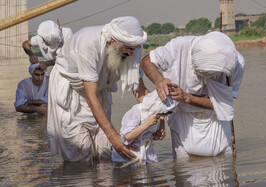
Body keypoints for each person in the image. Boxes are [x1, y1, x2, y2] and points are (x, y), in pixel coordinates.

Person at [47, 16, 149, 163]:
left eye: (134, 49)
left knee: (105, 152)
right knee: (80, 152)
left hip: (99, 92)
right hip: (72, 94)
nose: (131, 54)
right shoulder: (88, 43)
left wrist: (157, 118)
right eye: (127, 49)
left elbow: (139, 90)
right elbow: (90, 96)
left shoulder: (132, 48)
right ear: (112, 41)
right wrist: (114, 137)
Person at [140, 31, 245, 159]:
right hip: (182, 117)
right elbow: (146, 61)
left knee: (225, 162)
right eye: (204, 73)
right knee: (182, 167)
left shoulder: (236, 63)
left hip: (216, 119)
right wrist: (159, 80)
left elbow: (224, 103)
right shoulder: (179, 47)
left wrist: (187, 97)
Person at [112, 90, 177, 167]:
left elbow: (151, 135)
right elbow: (127, 136)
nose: (162, 117)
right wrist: (147, 124)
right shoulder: (136, 113)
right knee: (130, 175)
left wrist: (156, 135)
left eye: (165, 114)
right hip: (129, 154)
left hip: (146, 153)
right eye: (162, 113)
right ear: (157, 105)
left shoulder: (157, 115)